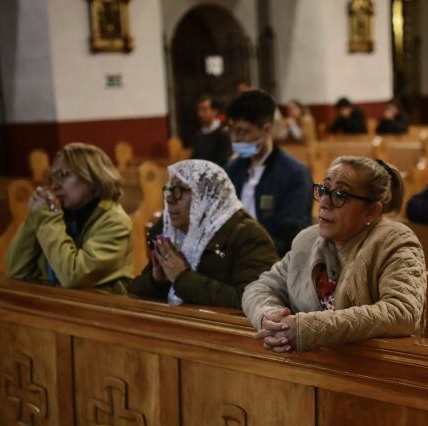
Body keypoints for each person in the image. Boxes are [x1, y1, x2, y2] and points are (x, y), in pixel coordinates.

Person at [242, 156, 425, 353]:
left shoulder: (394, 241)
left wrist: (307, 329)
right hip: (306, 369)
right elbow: (259, 287)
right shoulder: (307, 240)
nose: (324, 203)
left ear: (372, 211)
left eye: (340, 194)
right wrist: (269, 317)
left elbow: (402, 313)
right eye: (323, 190)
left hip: (374, 371)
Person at [129, 160, 277, 308]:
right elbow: (134, 292)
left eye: (180, 190)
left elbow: (251, 301)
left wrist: (182, 278)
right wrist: (156, 282)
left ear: (208, 196)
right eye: (169, 189)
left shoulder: (248, 236)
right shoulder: (172, 232)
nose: (170, 199)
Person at [5, 142, 133, 292]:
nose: (55, 186)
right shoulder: (59, 215)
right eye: (53, 177)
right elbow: (17, 270)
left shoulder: (115, 222)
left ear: (93, 176)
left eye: (63, 175)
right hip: (57, 305)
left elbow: (73, 276)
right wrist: (36, 216)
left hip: (100, 310)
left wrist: (47, 218)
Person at [224, 89, 312, 256]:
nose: (234, 139)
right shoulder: (230, 170)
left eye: (243, 131)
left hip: (273, 264)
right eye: (231, 130)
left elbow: (292, 237)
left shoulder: (295, 174)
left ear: (266, 130)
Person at [191, 94, 232, 168]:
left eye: (204, 109)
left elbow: (223, 162)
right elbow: (194, 159)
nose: (200, 114)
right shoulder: (199, 134)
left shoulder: (223, 135)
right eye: (198, 110)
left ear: (215, 111)